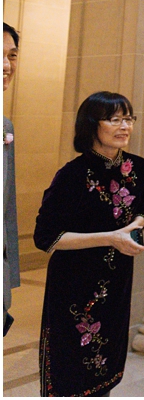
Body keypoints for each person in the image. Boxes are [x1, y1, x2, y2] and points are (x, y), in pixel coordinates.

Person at [34, 92, 144, 396]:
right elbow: (46, 237)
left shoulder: (140, 168)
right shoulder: (72, 175)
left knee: (106, 366)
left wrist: (136, 226)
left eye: (128, 118)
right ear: (92, 125)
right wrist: (110, 238)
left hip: (116, 280)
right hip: (74, 285)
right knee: (70, 371)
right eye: (114, 119)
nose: (124, 126)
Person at [3, 23, 20, 337]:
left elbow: (7, 209)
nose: (6, 65)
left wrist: (10, 277)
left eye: (12, 55)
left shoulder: (6, 127)